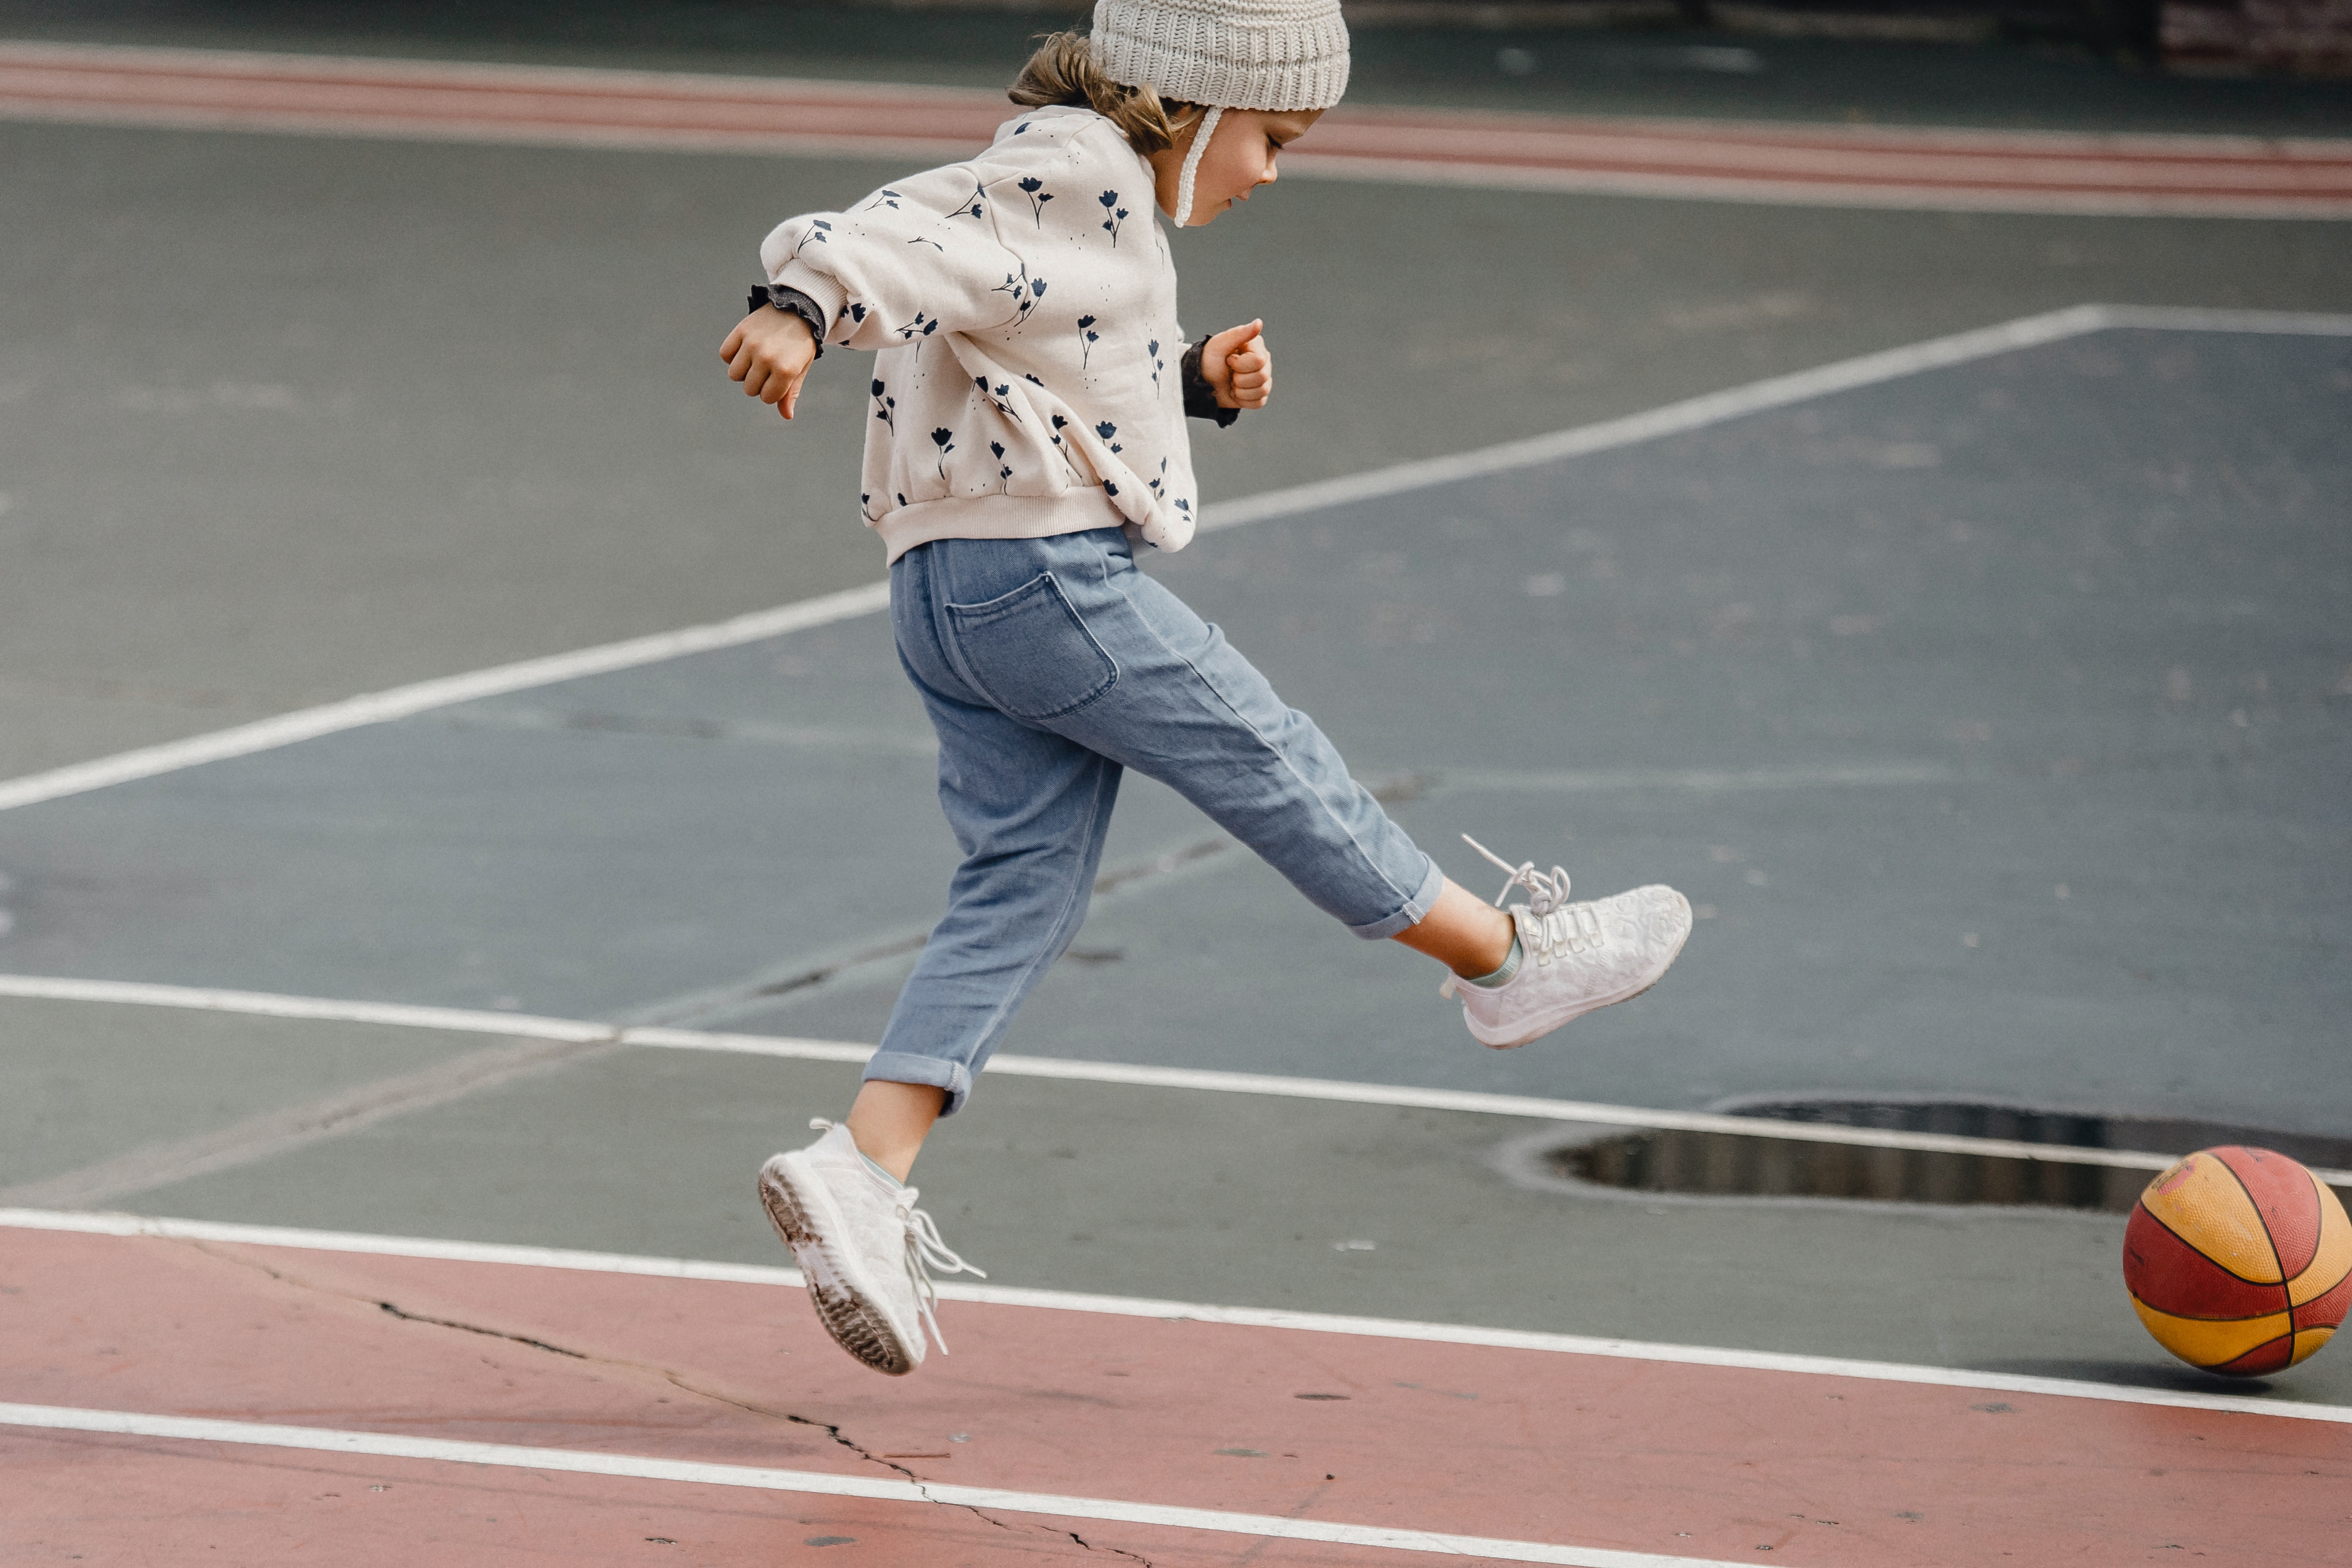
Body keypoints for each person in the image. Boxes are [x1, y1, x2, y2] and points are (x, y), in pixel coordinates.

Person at [719, 0, 1692, 1377]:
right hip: (1042, 582)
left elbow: (1027, 350)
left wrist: (1185, 384)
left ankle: (864, 1172)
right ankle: (1509, 966)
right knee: (1268, 755)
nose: (1273, 172)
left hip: (943, 594)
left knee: (1022, 882)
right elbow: (893, 231)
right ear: (1193, 108)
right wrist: (798, 312)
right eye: (1275, 139)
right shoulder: (1080, 164)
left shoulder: (1069, 191)